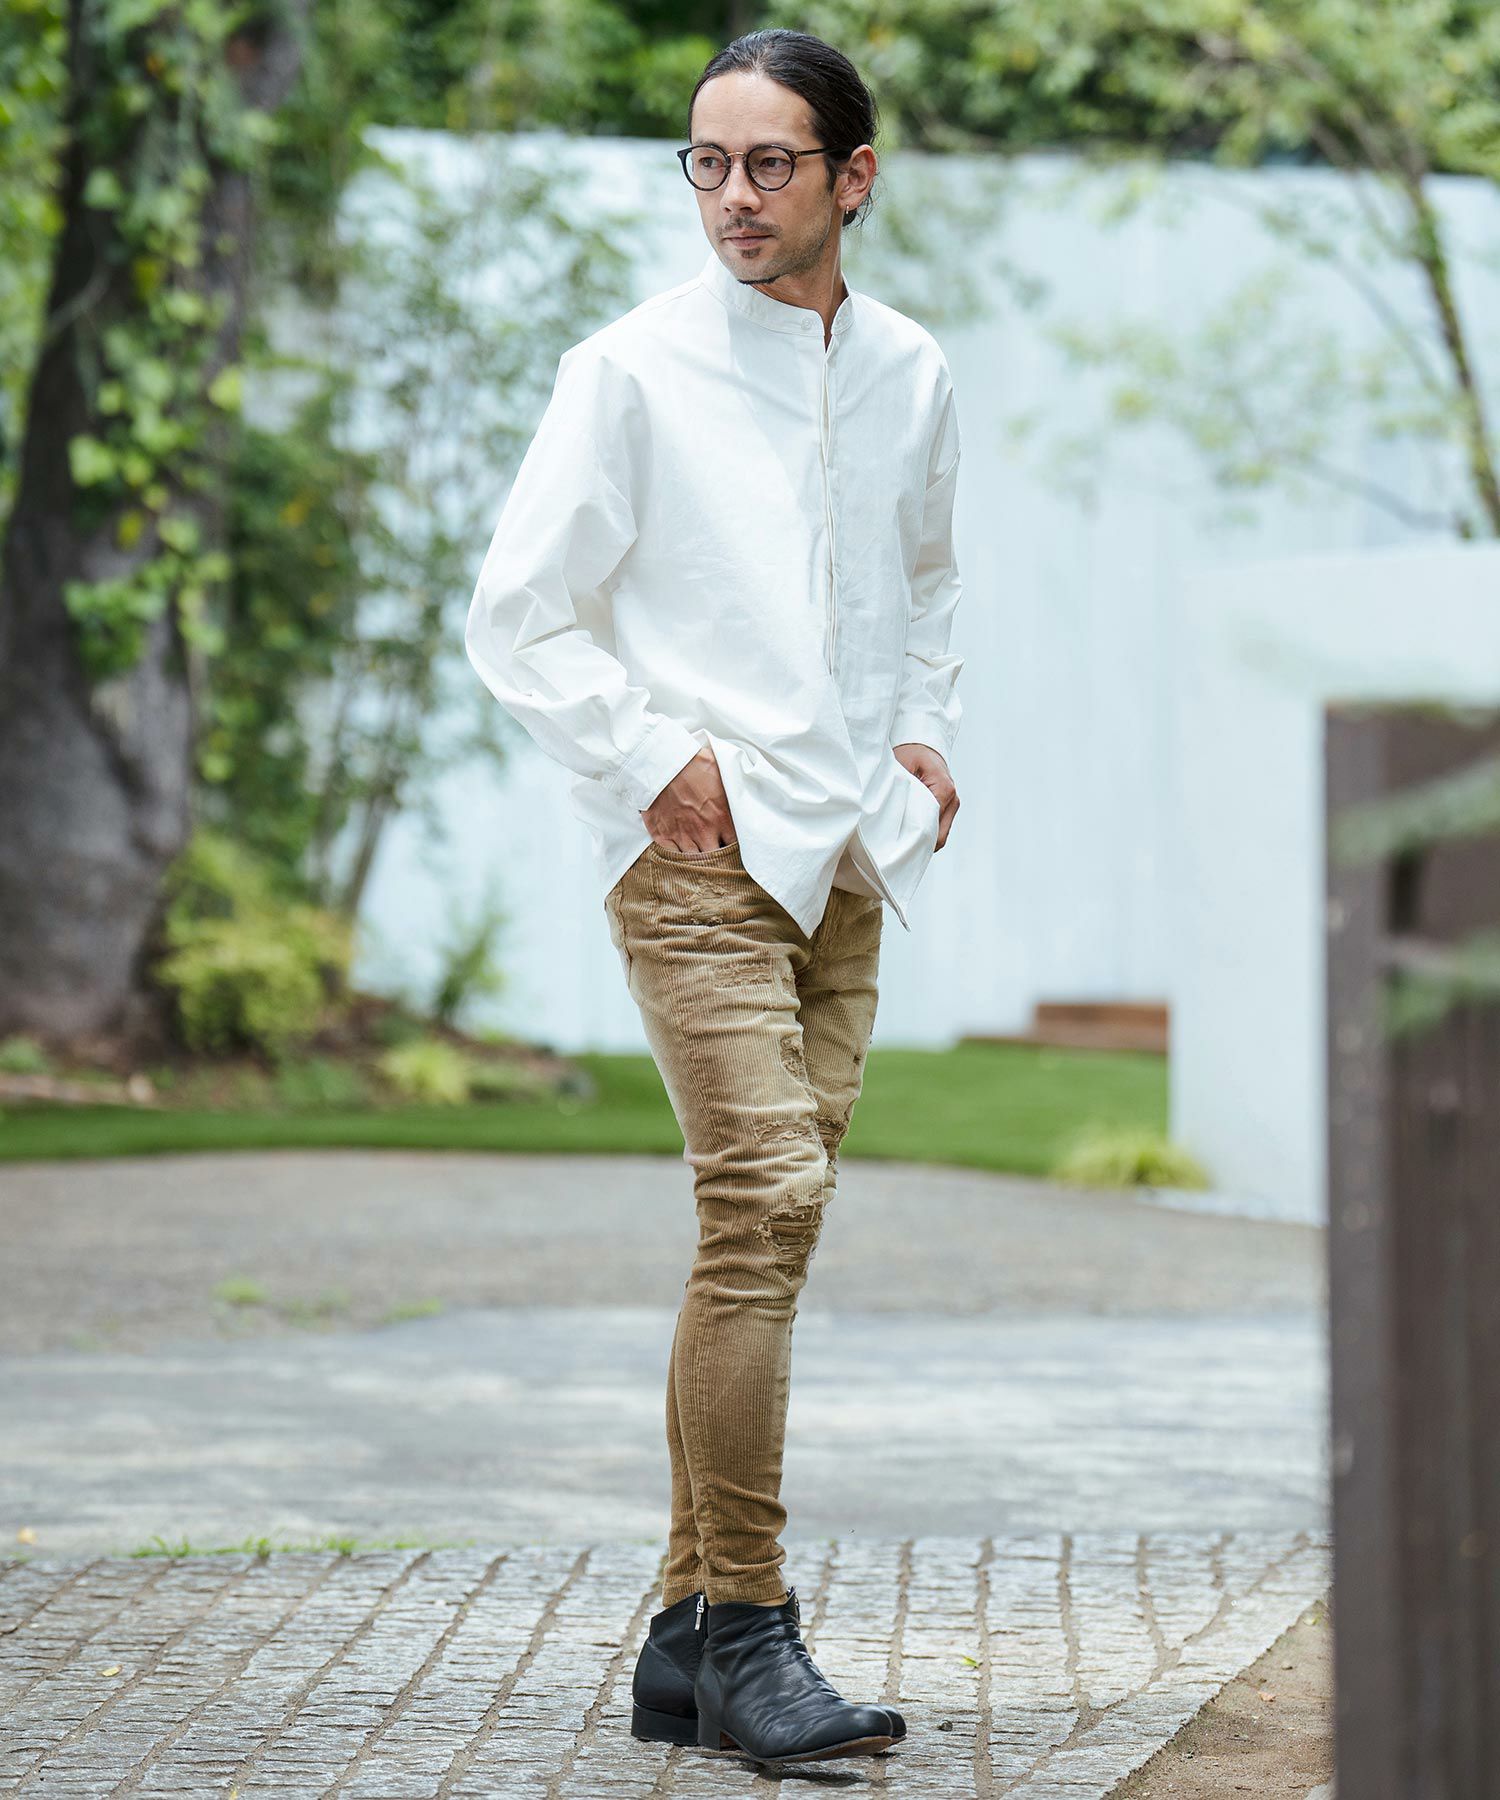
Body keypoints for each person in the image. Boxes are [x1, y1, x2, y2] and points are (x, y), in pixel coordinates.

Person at [464, 26, 965, 1766]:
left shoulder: (910, 369)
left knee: (771, 1229)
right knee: (764, 1197)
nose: (733, 197)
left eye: (768, 164)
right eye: (708, 162)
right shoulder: (628, 372)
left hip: (849, 856)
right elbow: (517, 617)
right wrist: (650, 761)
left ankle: (683, 1645)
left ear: (852, 176)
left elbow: (927, 581)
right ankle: (750, 1626)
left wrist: (925, 738)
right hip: (694, 854)